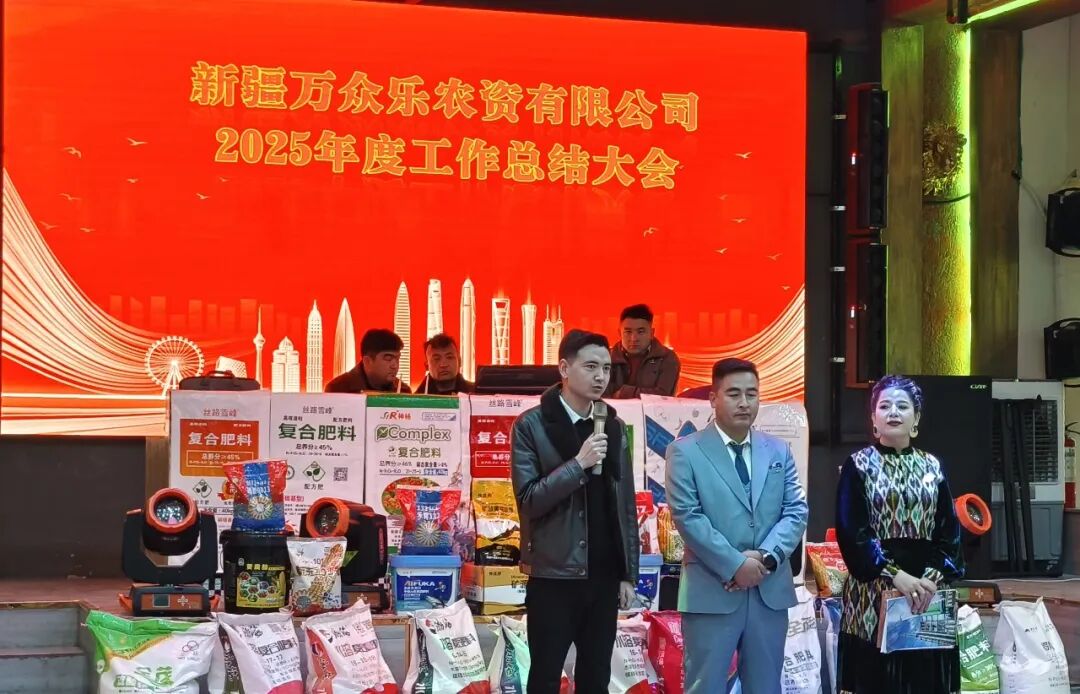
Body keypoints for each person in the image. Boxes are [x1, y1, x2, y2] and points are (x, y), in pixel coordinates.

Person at [665, 357, 808, 694]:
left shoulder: (778, 450)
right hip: (711, 590)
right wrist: (735, 565)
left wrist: (766, 558)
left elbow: (796, 510)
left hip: (768, 591)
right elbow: (688, 516)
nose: (744, 403)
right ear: (713, 398)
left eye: (752, 394)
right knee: (705, 686)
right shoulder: (685, 451)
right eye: (734, 394)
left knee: (766, 686)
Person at [510, 329, 640, 694]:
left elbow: (625, 505)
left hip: (604, 575)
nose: (601, 377)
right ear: (565, 369)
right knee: (545, 676)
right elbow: (529, 500)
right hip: (554, 573)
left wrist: (627, 573)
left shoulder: (612, 425)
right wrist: (578, 464)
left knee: (596, 677)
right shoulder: (531, 425)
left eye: (606, 368)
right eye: (590, 367)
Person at [835, 375, 964, 694]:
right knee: (876, 679)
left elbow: (949, 531)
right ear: (873, 418)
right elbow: (852, 533)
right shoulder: (858, 465)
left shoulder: (933, 465)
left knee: (926, 680)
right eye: (885, 406)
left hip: (928, 591)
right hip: (873, 590)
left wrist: (930, 579)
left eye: (902, 406)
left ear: (916, 418)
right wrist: (896, 575)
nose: (893, 412)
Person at [605, 304, 681, 398]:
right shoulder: (606, 358)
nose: (633, 338)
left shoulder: (667, 358)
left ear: (651, 333)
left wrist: (625, 392)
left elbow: (663, 396)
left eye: (640, 332)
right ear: (619, 333)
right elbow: (598, 393)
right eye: (628, 332)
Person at [325, 328, 411, 394]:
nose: (395, 365)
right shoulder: (338, 389)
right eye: (388, 358)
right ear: (367, 361)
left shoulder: (403, 391)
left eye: (397, 358)